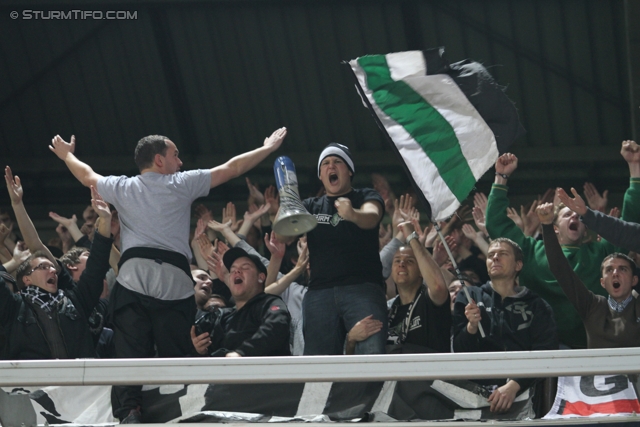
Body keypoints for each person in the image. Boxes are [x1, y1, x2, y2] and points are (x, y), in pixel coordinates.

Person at [49, 128, 286, 423]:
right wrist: (267, 148)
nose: (181, 161)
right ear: (160, 160)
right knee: (179, 361)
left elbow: (87, 176)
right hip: (174, 286)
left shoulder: (123, 187)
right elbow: (232, 168)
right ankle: (184, 413)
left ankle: (130, 414)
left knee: (129, 359)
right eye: (176, 155)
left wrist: (66, 155)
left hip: (134, 282)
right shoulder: (180, 183)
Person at [484, 144, 640, 348]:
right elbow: (496, 224)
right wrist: (501, 178)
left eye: (579, 216)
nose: (574, 217)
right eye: (567, 215)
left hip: (598, 348)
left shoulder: (603, 254)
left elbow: (629, 223)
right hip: (547, 350)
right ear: (554, 227)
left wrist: (635, 167)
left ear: (586, 229)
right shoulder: (531, 252)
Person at [1, 167, 113, 359]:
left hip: (79, 386)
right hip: (31, 387)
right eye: (43, 267)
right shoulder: (13, 307)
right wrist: (16, 203)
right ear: (26, 279)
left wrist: (105, 220)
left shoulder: (76, 300)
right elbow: (35, 245)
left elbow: (97, 267)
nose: (52, 269)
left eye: (52, 266)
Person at [453, 238, 558, 415]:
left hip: (524, 393)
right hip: (473, 395)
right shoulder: (469, 296)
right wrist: (471, 327)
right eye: (491, 255)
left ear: (518, 265)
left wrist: (513, 386)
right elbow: (458, 349)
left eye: (502, 254)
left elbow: (546, 352)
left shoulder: (537, 306)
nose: (495, 258)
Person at [301, 143, 387, 355]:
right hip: (319, 292)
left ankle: (369, 391)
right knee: (319, 365)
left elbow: (372, 216)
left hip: (363, 289)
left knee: (370, 353)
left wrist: (354, 215)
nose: (331, 166)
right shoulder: (310, 205)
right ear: (321, 175)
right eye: (326, 163)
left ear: (349, 170)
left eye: (337, 162)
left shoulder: (365, 196)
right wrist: (287, 202)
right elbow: (283, 233)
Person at [537, 202, 640, 348]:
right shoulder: (592, 306)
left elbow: (631, 232)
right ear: (602, 282)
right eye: (609, 270)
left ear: (634, 279)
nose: (615, 273)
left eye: (623, 269)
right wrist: (547, 226)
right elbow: (560, 269)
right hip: (599, 370)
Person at [346, 221, 450, 354]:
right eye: (397, 261)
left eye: (409, 261)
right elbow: (354, 360)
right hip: (390, 373)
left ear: (421, 272)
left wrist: (412, 238)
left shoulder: (430, 301)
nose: (402, 264)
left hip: (428, 373)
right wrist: (351, 339)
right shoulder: (385, 310)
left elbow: (438, 286)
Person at [191, 247, 290, 357]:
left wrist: (242, 354)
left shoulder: (269, 303)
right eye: (232, 270)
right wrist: (200, 350)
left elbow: (276, 327)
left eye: (245, 267)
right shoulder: (223, 316)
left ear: (261, 277)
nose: (236, 271)